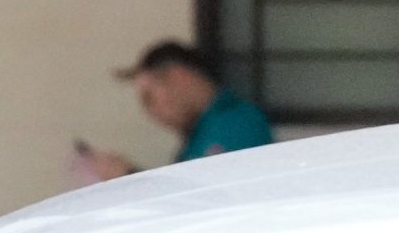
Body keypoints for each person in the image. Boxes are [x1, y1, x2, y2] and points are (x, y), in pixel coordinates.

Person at [75, 39, 273, 179]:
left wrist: (129, 177)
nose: (150, 112)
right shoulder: (203, 130)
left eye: (149, 98)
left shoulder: (234, 124)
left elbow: (203, 202)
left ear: (178, 77)